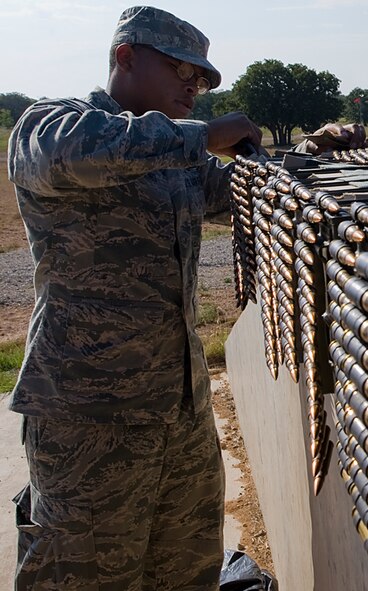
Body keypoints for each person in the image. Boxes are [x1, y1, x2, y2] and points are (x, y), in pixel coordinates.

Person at [7, 6, 262, 590]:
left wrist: (318, 153)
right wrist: (203, 137)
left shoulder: (175, 161)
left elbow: (242, 192)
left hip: (181, 415)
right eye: (182, 72)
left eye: (200, 82)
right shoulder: (53, 127)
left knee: (186, 572)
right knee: (84, 575)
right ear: (125, 57)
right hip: (90, 422)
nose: (193, 90)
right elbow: (75, 154)